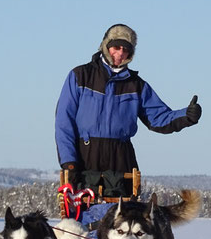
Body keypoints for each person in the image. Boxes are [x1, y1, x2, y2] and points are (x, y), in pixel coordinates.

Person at [55, 23, 201, 203]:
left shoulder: (136, 85)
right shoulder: (80, 76)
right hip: (85, 157)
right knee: (81, 221)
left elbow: (158, 118)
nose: (120, 53)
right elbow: (64, 122)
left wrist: (187, 115)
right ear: (106, 46)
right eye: (116, 47)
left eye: (126, 50)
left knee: (123, 223)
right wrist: (69, 163)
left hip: (121, 158)